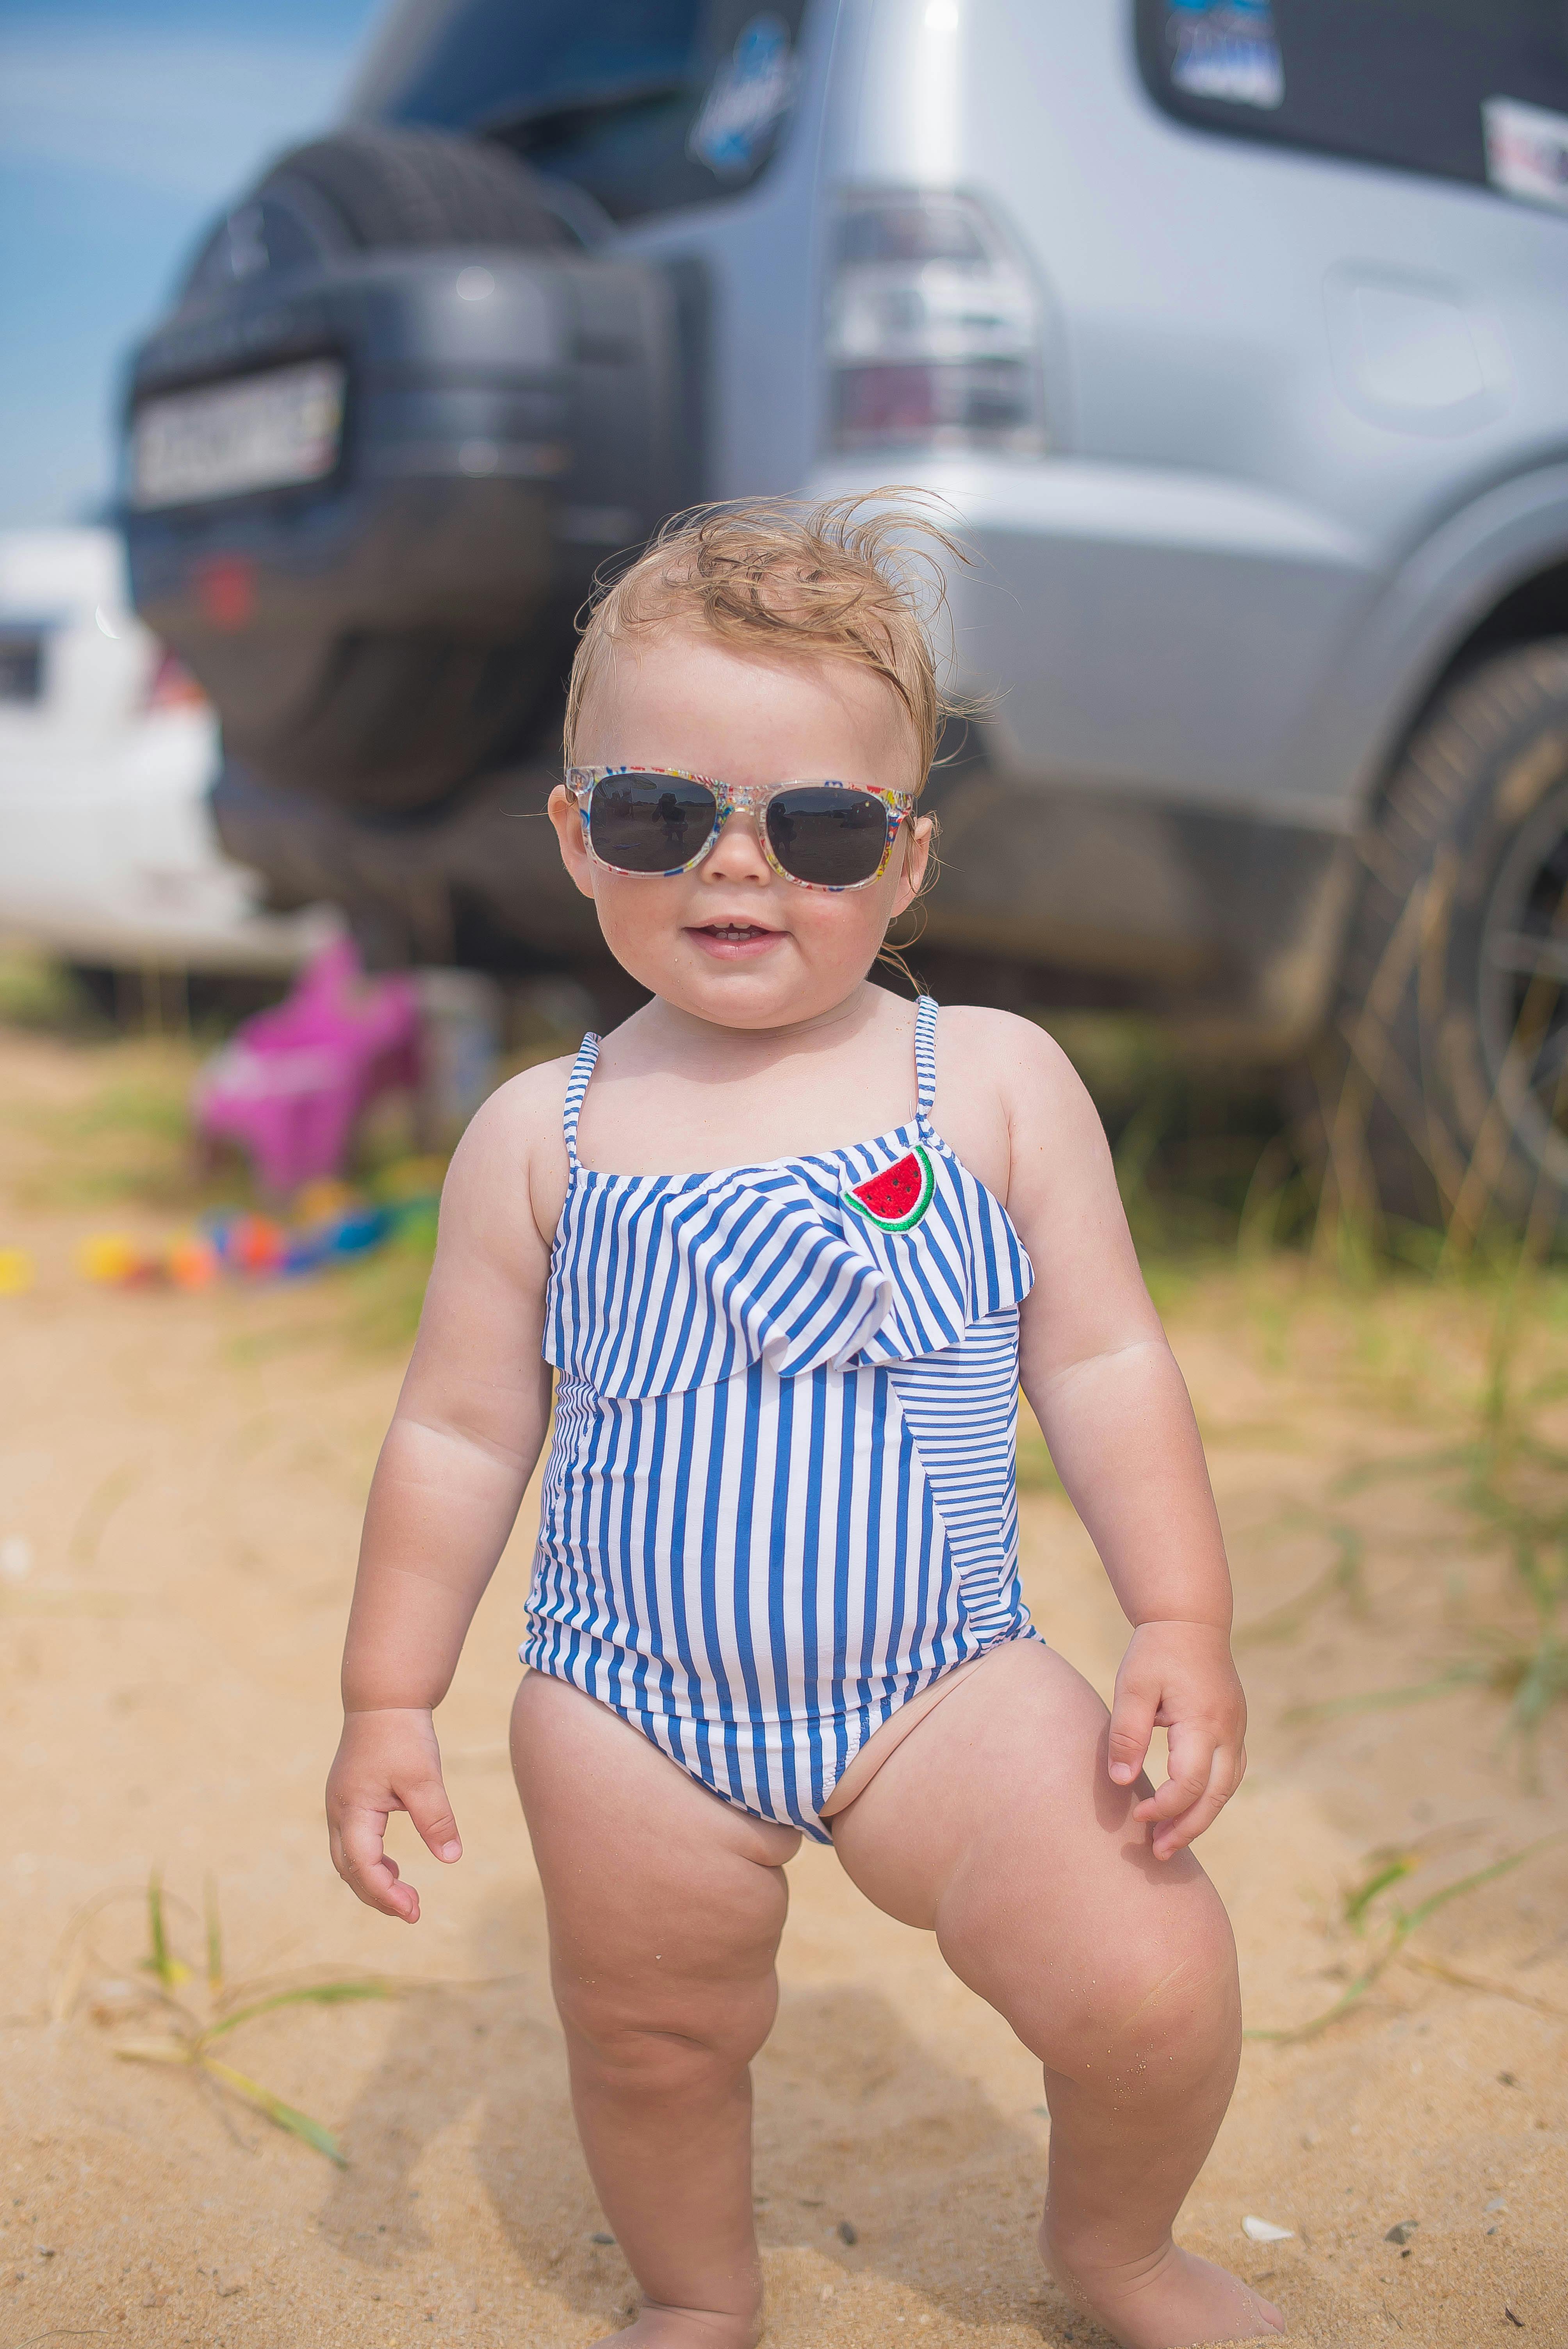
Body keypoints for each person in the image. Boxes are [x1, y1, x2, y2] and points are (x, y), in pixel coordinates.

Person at [325, 495, 1283, 2349]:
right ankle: (698, 2294)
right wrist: (388, 1695)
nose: (735, 867)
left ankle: (1119, 2250)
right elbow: (454, 1434)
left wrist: (1179, 1618)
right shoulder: (547, 1129)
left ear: (906, 862)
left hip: (943, 1681)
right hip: (627, 1707)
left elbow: (1099, 1364)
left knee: (1149, 1975)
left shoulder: (985, 1083)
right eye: (658, 815)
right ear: (573, 833)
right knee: (653, 2034)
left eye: (820, 827)